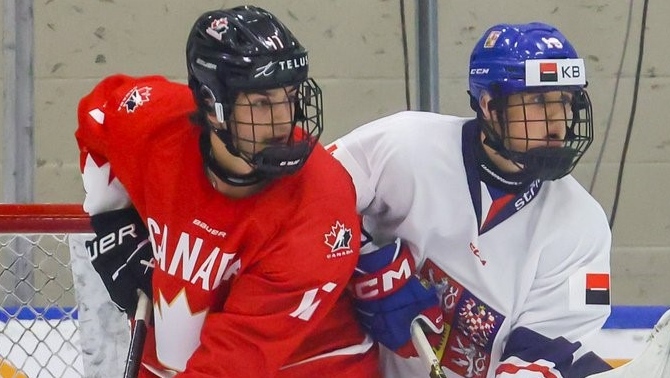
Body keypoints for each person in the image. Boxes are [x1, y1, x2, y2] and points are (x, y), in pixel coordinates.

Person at [75, 6, 379, 377]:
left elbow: (233, 362)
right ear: (211, 105)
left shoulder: (320, 204)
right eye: (262, 104)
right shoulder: (157, 125)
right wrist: (116, 226)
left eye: (290, 96)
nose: (284, 120)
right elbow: (98, 116)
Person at [330, 22, 613, 377]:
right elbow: (309, 200)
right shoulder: (403, 144)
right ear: (489, 105)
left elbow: (551, 347)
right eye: (539, 102)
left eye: (566, 102)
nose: (558, 123)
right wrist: (363, 259)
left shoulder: (584, 225)